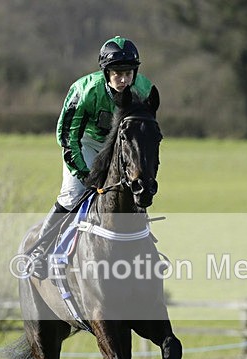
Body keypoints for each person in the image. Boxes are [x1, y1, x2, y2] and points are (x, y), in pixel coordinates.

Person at [27, 36, 157, 279]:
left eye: (128, 73)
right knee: (73, 194)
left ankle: (148, 252)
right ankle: (40, 252)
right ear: (106, 73)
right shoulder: (84, 90)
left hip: (121, 144)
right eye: (117, 74)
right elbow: (67, 136)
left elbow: (145, 133)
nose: (123, 80)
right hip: (86, 143)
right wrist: (85, 174)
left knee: (135, 190)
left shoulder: (145, 89)